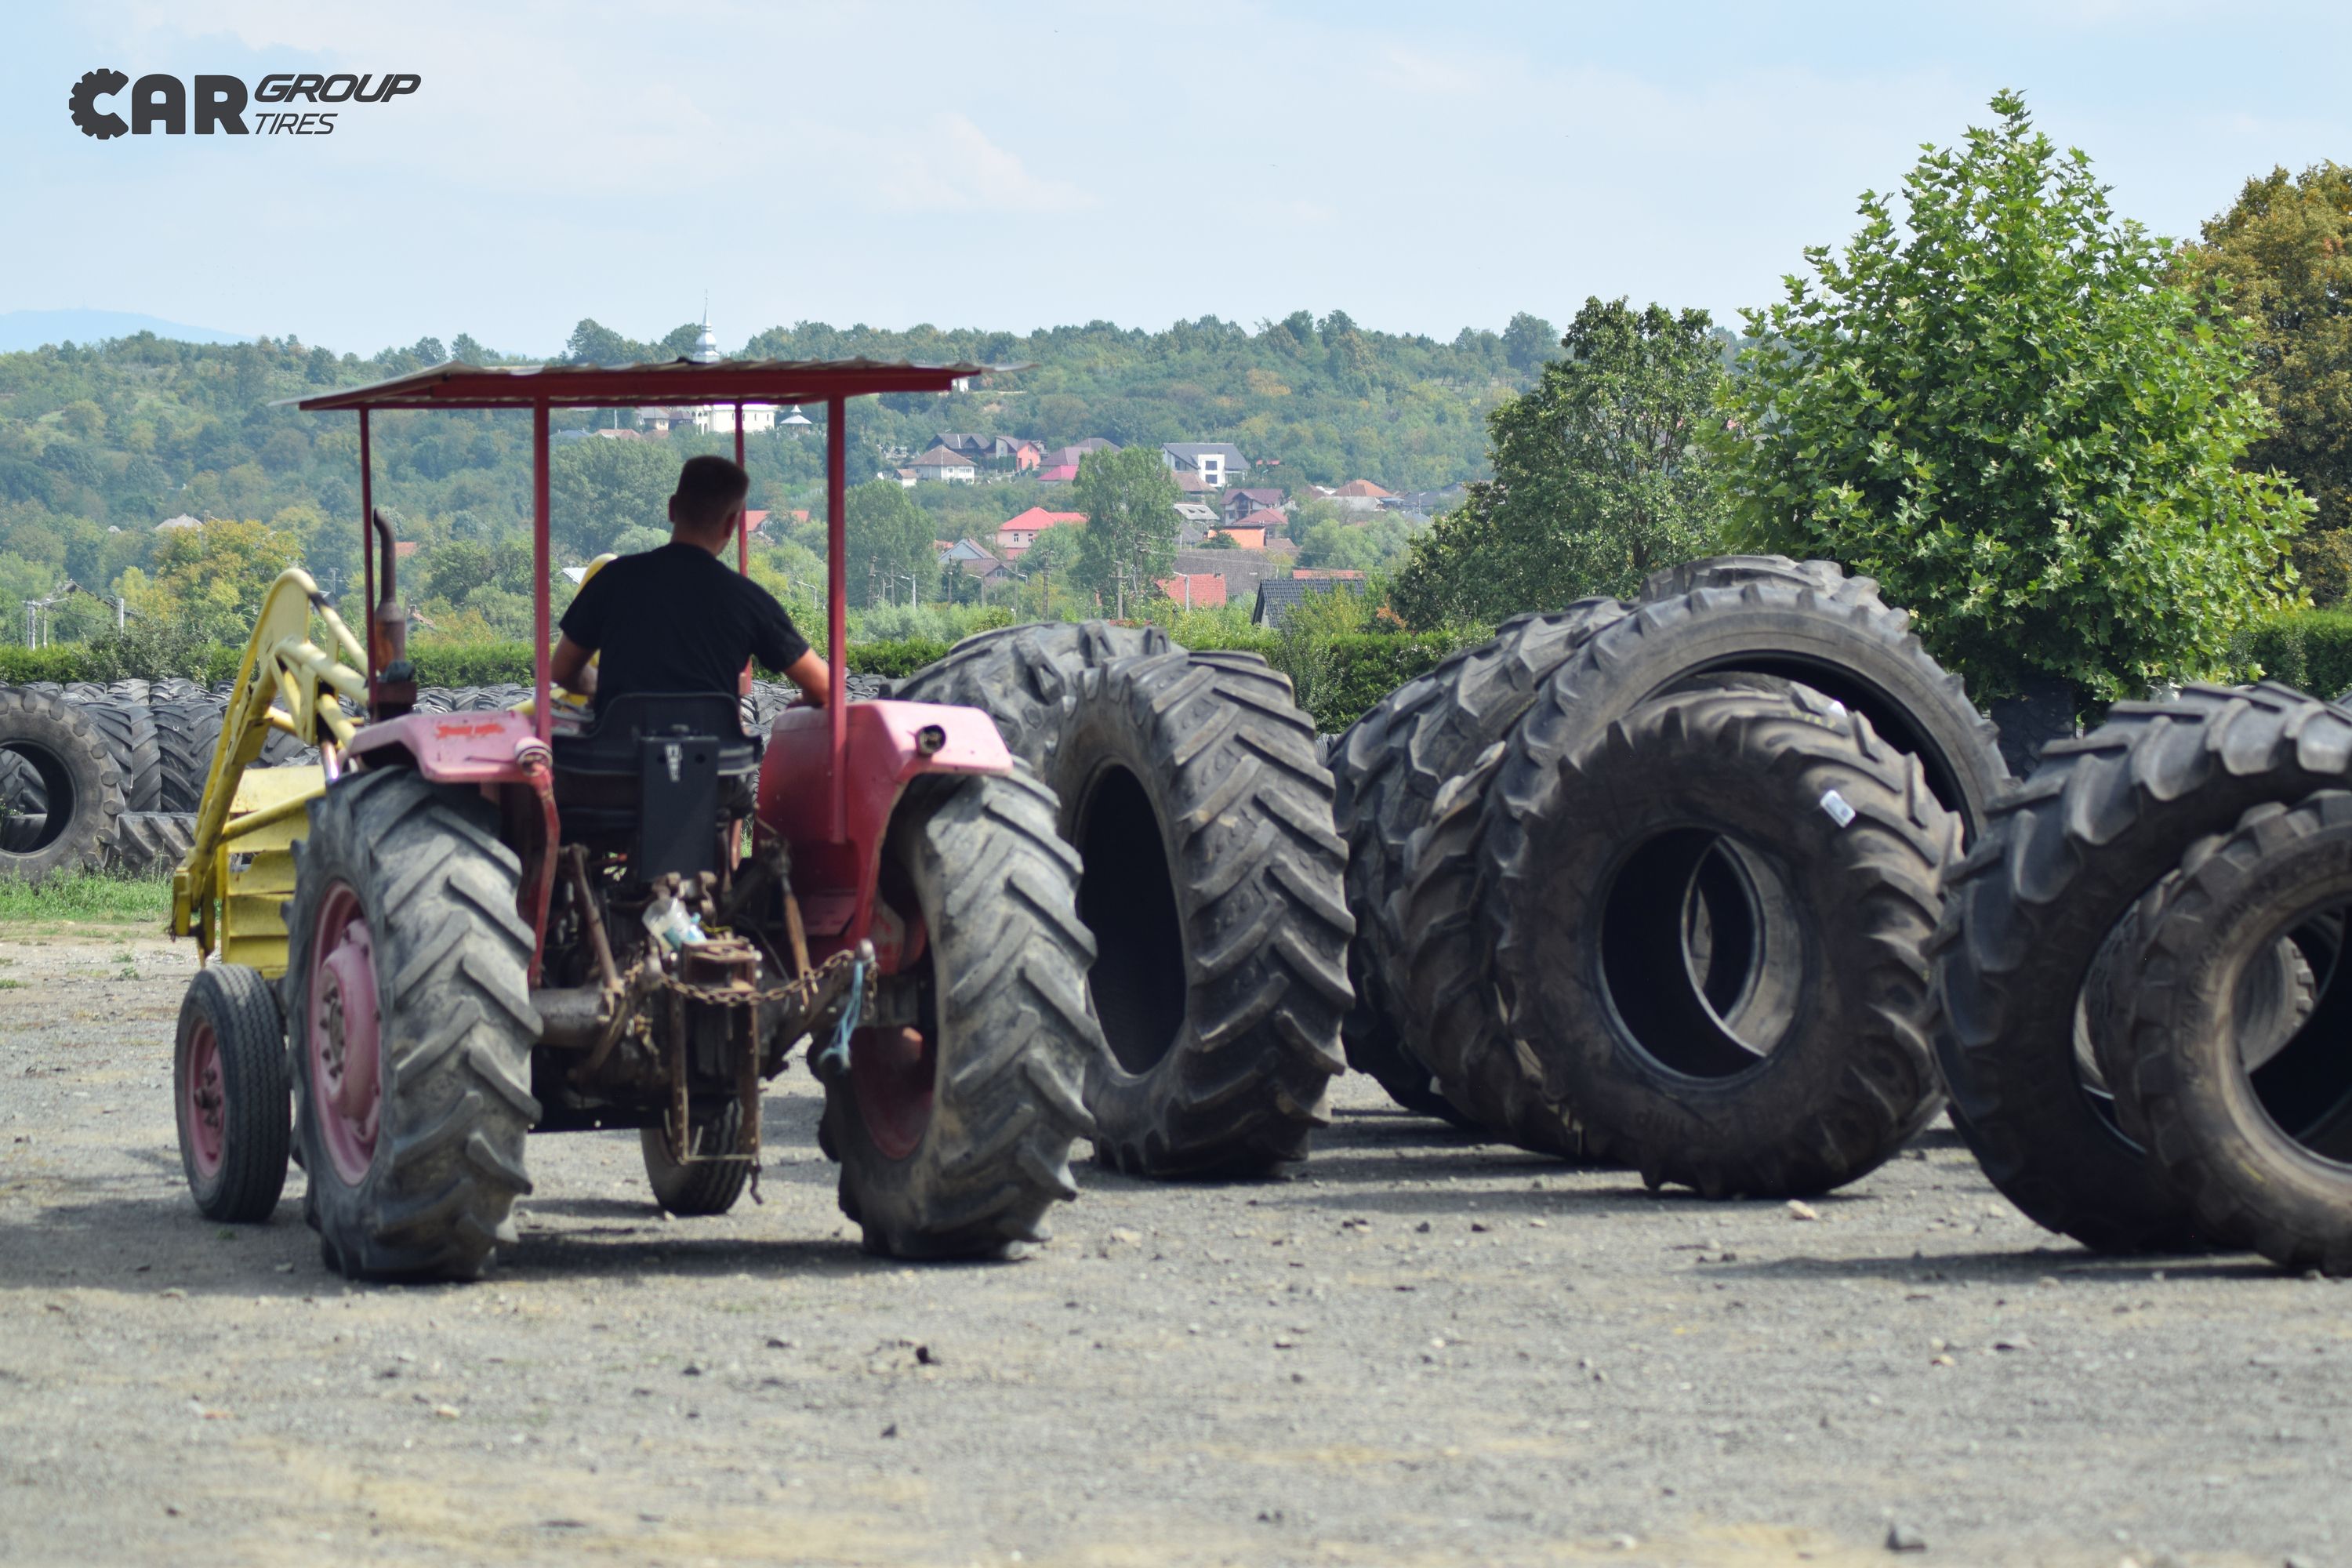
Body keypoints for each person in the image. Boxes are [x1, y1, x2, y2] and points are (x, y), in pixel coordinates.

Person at [550, 455, 829, 717]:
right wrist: (803, 701)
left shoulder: (611, 578)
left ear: (672, 508)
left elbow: (562, 670)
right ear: (731, 524)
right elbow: (823, 686)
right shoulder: (749, 600)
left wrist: (611, 690)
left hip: (616, 760)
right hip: (715, 762)